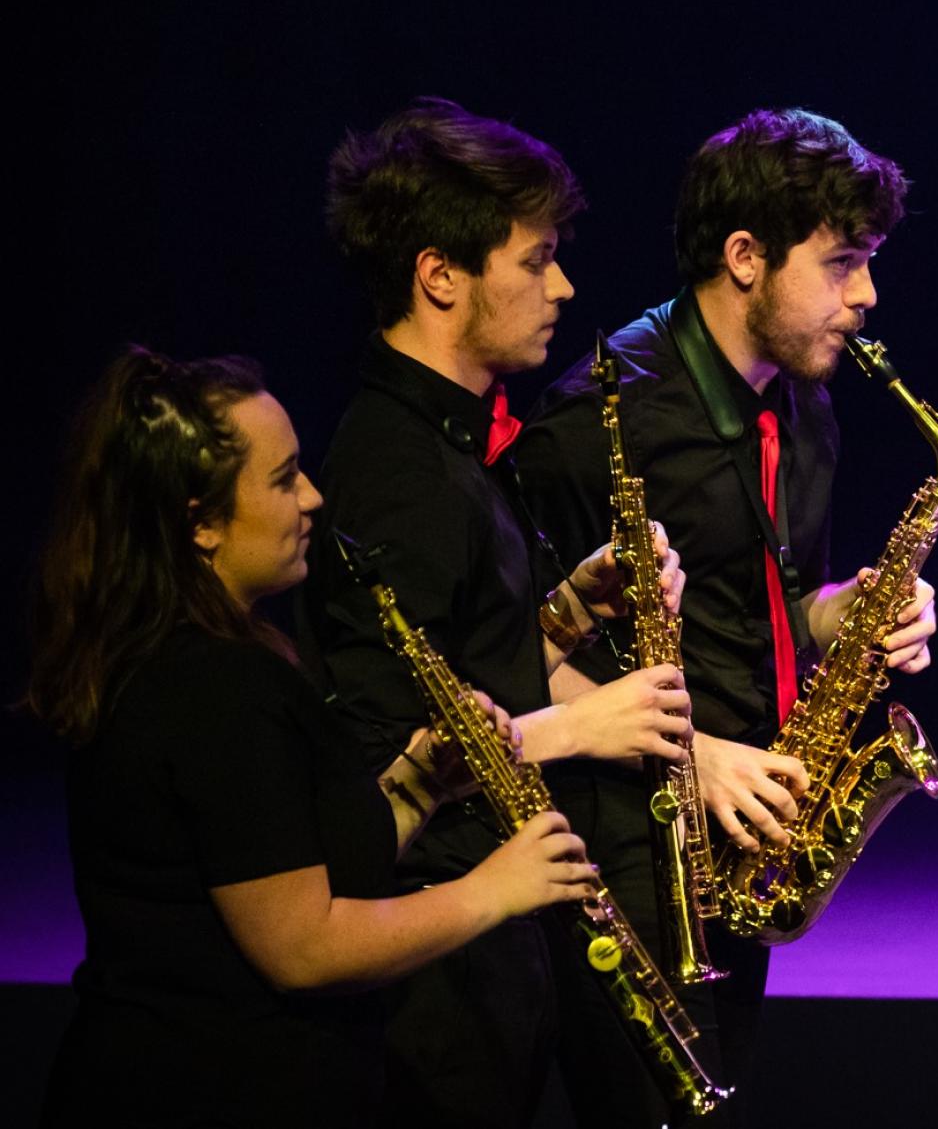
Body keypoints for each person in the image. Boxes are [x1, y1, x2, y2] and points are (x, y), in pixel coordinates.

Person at [27, 346, 599, 1128]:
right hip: (201, 1090)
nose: (314, 498)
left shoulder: (204, 655)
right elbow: (303, 948)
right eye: (283, 479)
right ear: (201, 524)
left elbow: (293, 860)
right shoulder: (212, 687)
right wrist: (493, 891)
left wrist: (422, 780)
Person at [516, 107, 938, 1126]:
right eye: (842, 262)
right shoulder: (595, 424)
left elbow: (783, 603)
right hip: (621, 847)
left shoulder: (804, 401)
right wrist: (691, 755)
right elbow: (502, 650)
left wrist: (864, 611)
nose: (867, 295)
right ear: (744, 257)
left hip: (741, 843)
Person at [298, 97, 691, 1129]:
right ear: (440, 276)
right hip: (430, 968)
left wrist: (562, 614)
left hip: (489, 936)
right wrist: (577, 725)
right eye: (535, 259)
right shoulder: (398, 466)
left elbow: (454, 659)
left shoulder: (453, 445)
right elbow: (380, 756)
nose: (561, 285)